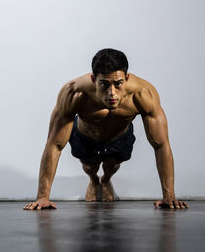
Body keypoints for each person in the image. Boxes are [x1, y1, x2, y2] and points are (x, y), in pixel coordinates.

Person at [23, 48, 188, 210]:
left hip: (119, 137)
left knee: (112, 164)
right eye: (104, 84)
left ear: (127, 78)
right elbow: (54, 144)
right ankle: (94, 180)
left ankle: (106, 179)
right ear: (94, 79)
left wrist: (169, 196)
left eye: (118, 84)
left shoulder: (143, 94)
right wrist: (43, 197)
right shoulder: (74, 93)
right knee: (89, 165)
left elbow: (161, 144)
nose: (112, 93)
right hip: (85, 136)